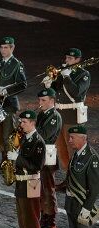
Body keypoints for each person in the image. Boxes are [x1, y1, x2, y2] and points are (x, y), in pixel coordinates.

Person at [44, 48, 91, 190]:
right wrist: (49, 84)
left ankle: (78, 181)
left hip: (73, 116)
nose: (67, 61)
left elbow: (76, 93)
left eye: (71, 59)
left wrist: (67, 77)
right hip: (60, 115)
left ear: (78, 60)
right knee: (62, 149)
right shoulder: (62, 72)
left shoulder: (84, 74)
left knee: (73, 149)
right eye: (67, 58)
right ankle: (68, 178)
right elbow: (55, 92)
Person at [9, 110, 46, 228]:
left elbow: (36, 166)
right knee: (23, 218)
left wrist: (18, 158)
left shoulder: (38, 142)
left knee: (31, 218)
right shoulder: (24, 138)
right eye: (21, 121)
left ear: (32, 123)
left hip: (31, 182)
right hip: (21, 182)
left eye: (24, 122)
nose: (21, 124)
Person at [64, 125, 98, 228]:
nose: (69, 140)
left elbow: (95, 187)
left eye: (72, 138)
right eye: (70, 137)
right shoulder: (76, 155)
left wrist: (87, 208)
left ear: (83, 138)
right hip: (71, 203)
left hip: (82, 204)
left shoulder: (91, 157)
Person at [0, 37, 26, 161]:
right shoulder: (1, 62)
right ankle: (3, 161)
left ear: (12, 48)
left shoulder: (16, 64)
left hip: (9, 104)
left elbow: (22, 84)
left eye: (6, 48)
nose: (3, 50)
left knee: (7, 135)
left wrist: (6, 91)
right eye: (1, 47)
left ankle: (10, 162)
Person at [36, 88, 62, 228]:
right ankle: (43, 217)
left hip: (48, 154)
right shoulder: (41, 114)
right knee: (39, 189)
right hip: (39, 154)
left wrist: (30, 128)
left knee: (48, 188)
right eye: (40, 100)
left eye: (43, 100)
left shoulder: (54, 116)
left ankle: (50, 220)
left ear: (52, 101)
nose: (40, 103)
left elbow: (45, 134)